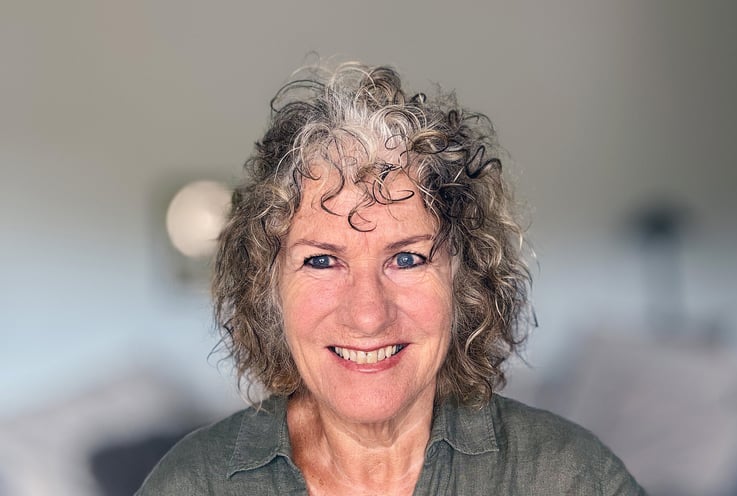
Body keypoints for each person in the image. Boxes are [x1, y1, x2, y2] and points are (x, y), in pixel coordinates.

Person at [137, 62, 645, 495]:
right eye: (321, 260)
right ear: (268, 291)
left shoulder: (568, 478)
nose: (367, 314)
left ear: (464, 281)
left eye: (406, 259)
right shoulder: (195, 484)